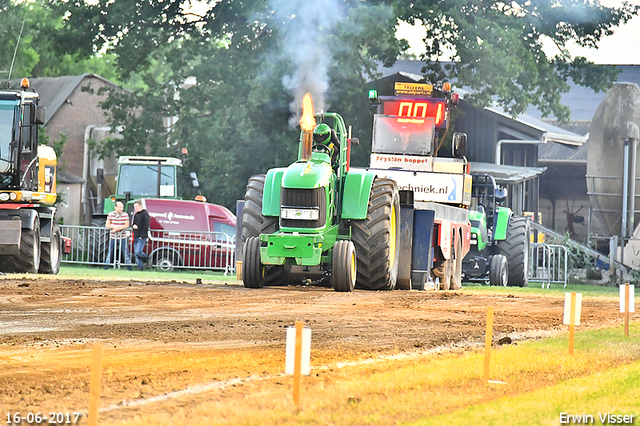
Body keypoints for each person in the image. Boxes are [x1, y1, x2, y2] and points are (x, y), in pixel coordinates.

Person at [103, 201, 132, 270]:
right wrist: (114, 227)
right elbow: (107, 225)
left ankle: (129, 268)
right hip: (113, 237)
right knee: (110, 253)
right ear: (115, 207)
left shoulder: (125, 215)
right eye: (120, 207)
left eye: (122, 207)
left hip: (123, 237)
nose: (121, 209)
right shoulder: (110, 214)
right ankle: (106, 267)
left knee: (125, 253)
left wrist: (117, 229)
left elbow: (126, 225)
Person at [131, 199, 151, 271]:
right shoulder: (136, 215)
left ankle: (147, 258)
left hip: (142, 236)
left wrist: (142, 235)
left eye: (136, 206)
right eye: (134, 207)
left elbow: (146, 226)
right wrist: (133, 226)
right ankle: (140, 267)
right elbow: (133, 223)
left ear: (141, 206)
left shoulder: (145, 214)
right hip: (136, 235)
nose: (135, 208)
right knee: (136, 253)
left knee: (138, 251)